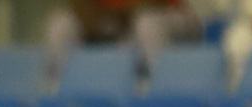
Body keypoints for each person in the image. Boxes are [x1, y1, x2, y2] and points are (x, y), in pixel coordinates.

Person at [47, 0, 201, 67]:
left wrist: (121, 16)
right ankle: (63, 84)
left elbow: (151, 4)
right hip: (122, 26)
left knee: (147, 23)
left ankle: (158, 84)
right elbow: (82, 7)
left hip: (172, 18)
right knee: (60, 23)